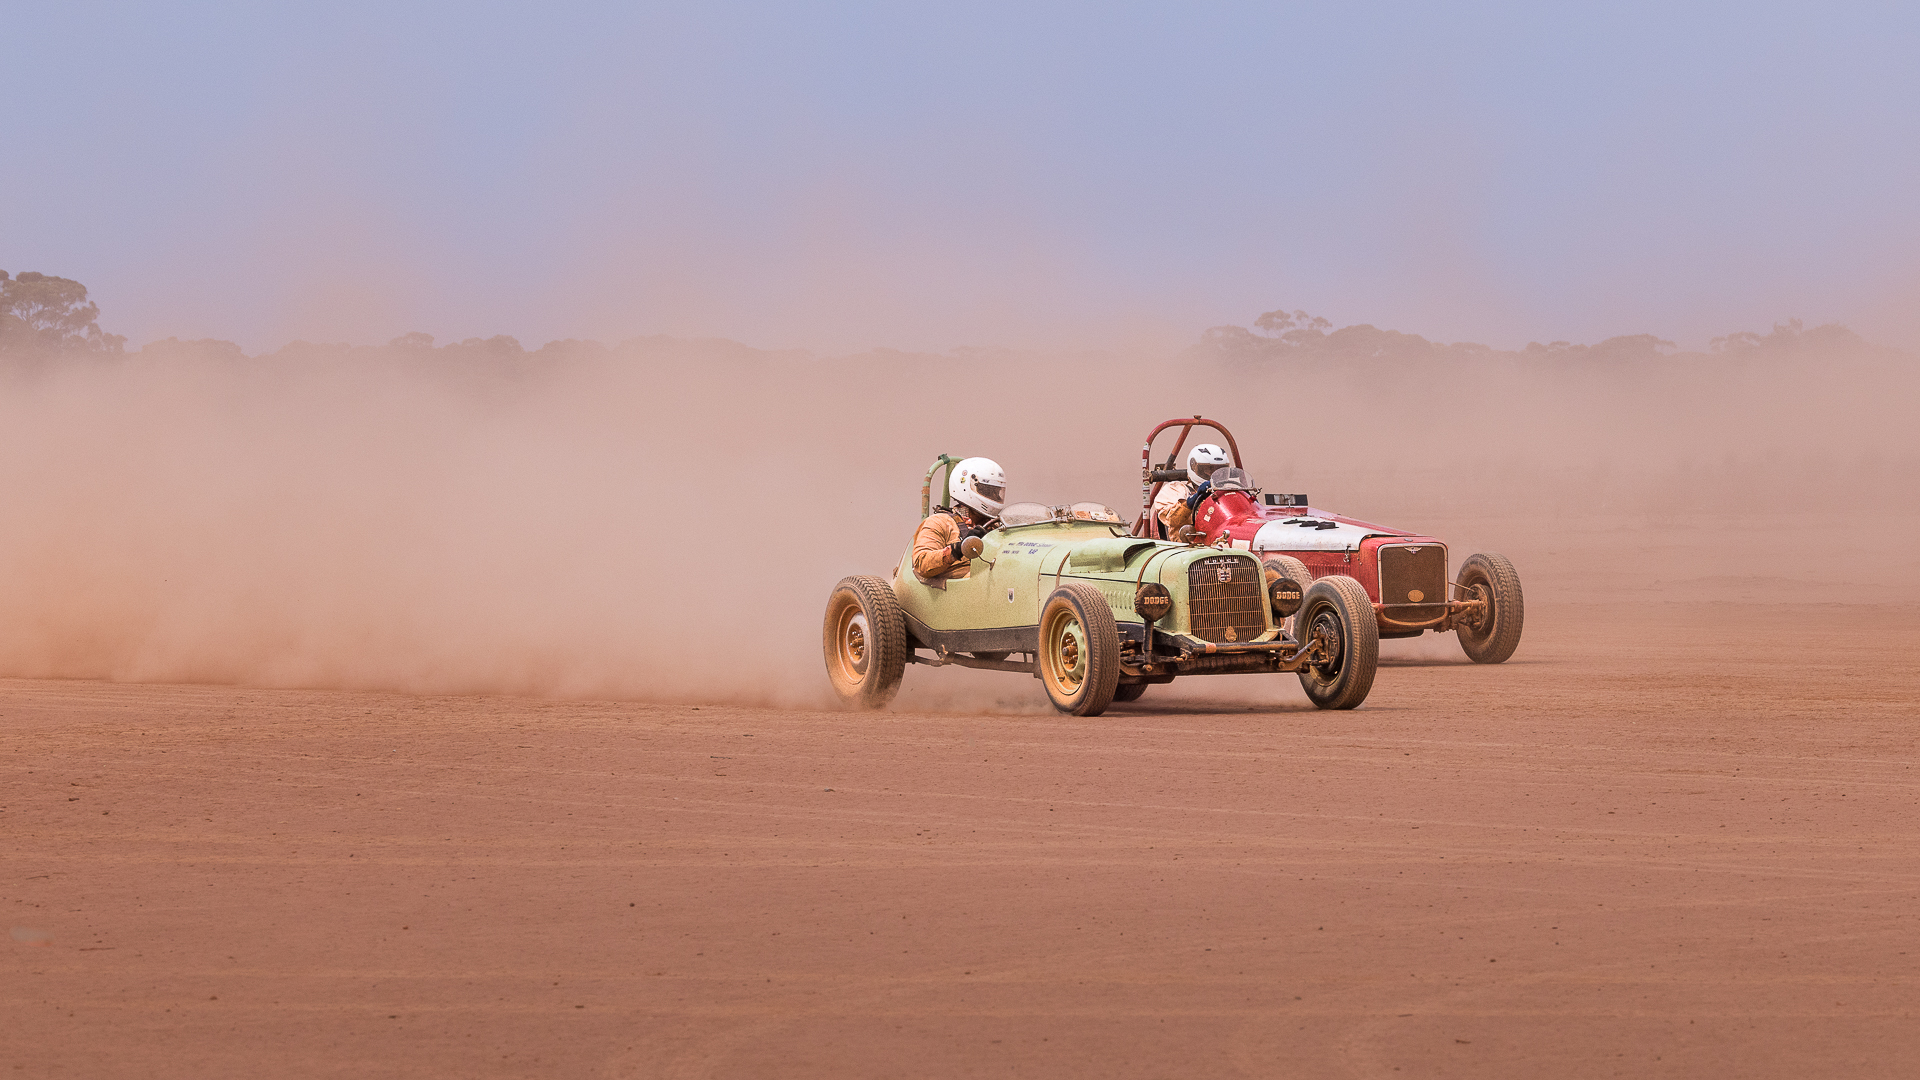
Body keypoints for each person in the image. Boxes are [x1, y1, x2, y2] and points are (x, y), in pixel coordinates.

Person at [912, 457, 1006, 584]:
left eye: (996, 492)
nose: (994, 497)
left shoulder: (998, 526)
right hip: (960, 592)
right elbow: (921, 564)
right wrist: (958, 549)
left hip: (995, 583)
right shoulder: (939, 522)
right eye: (988, 491)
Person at [1152, 443, 1230, 538]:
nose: (1214, 474)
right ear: (1194, 467)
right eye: (1209, 469)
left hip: (1221, 543)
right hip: (1186, 548)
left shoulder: (1229, 492)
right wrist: (1192, 501)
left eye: (1219, 470)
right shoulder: (1176, 489)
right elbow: (1172, 520)